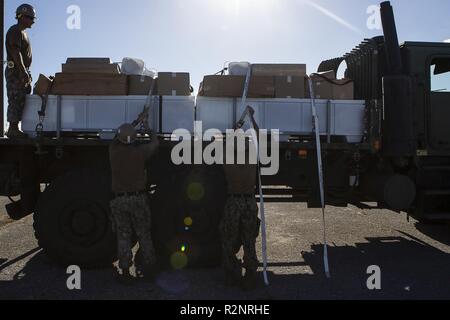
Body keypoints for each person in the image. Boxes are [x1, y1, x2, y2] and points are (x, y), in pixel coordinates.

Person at [109, 123, 159, 283]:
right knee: (144, 234)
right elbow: (155, 144)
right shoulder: (140, 152)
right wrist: (151, 133)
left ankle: (125, 271)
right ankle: (150, 269)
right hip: (138, 199)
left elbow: (116, 139)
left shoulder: (113, 151)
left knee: (123, 236)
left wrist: (135, 123)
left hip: (120, 199)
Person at [220, 137, 260, 290]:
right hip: (249, 201)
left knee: (228, 237)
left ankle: (230, 272)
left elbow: (223, 148)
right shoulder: (251, 160)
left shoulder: (228, 161)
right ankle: (250, 274)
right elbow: (258, 137)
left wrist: (229, 137)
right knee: (249, 239)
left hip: (233, 202)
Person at [5, 4, 36, 138]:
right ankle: (12, 129)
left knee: (22, 98)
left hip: (22, 71)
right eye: (30, 17)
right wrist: (23, 72)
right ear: (21, 17)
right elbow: (15, 52)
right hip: (16, 71)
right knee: (15, 98)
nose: (32, 21)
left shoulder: (23, 33)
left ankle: (16, 128)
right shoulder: (15, 31)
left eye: (33, 18)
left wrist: (26, 73)